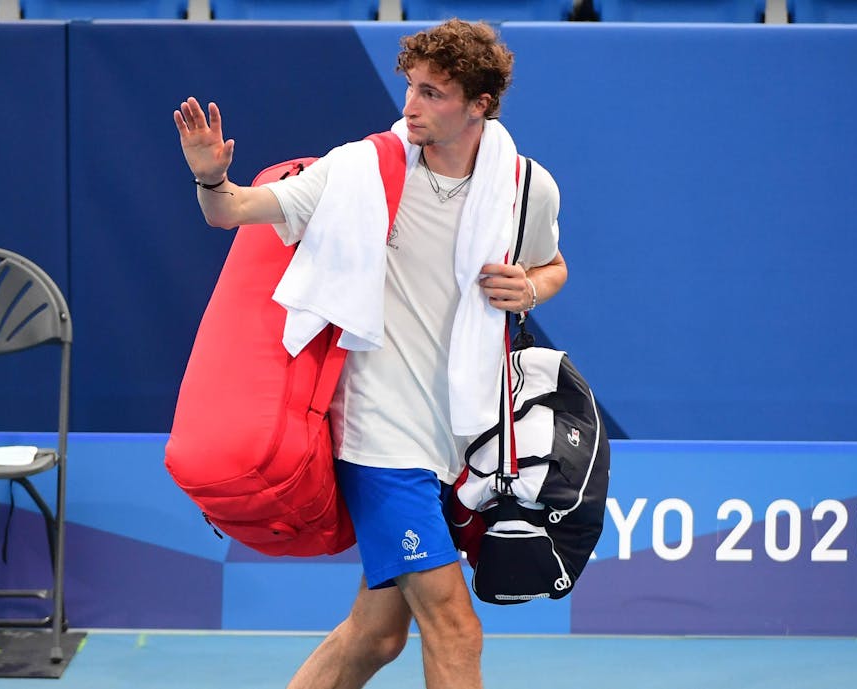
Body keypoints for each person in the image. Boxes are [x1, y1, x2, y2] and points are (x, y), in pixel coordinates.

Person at [173, 18, 567, 689]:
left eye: (434, 93)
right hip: (380, 440)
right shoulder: (358, 171)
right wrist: (214, 180)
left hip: (460, 438)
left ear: (480, 105)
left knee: (377, 634)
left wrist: (528, 284)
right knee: (455, 627)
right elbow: (235, 210)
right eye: (411, 87)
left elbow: (552, 264)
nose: (410, 105)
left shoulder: (525, 187)